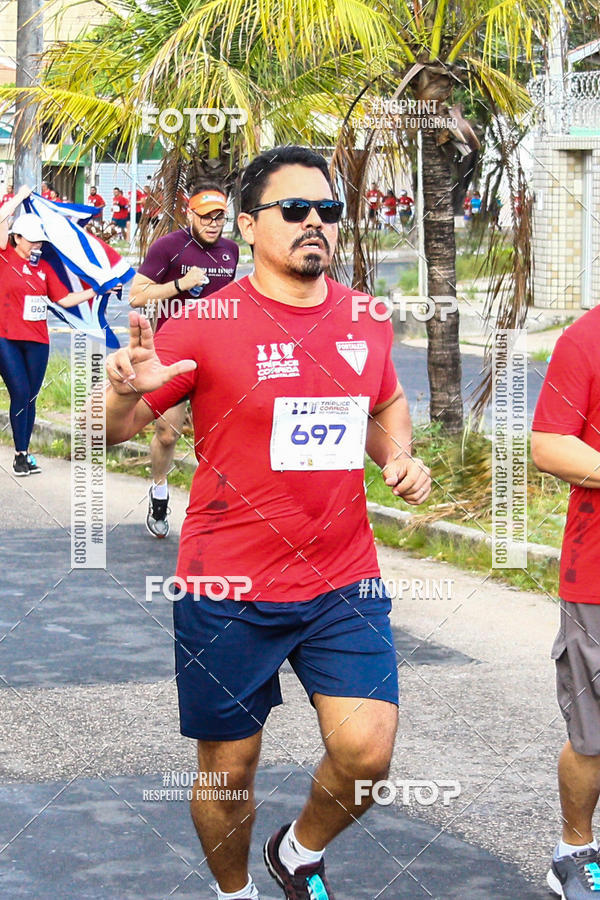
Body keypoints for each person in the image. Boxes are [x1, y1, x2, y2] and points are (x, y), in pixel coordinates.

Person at [104, 145, 431, 900]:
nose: (315, 223)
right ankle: (235, 892)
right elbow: (115, 430)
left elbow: (380, 403)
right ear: (249, 226)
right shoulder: (205, 323)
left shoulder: (365, 316)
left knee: (367, 755)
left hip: (342, 575)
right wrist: (124, 390)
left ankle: (300, 851)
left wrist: (399, 456)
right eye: (294, 210)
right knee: (230, 769)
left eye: (328, 212)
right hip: (228, 585)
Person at [532, 315, 600, 899]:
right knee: (594, 730)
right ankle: (574, 851)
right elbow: (549, 444)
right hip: (597, 576)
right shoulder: (585, 339)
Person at [128, 179, 239, 538]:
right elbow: (136, 296)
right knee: (166, 432)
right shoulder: (168, 248)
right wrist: (180, 284)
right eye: (205, 216)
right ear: (189, 214)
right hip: (172, 353)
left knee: (223, 436)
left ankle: (216, 509)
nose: (212, 224)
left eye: (219, 217)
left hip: (217, 355)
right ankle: (159, 491)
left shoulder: (231, 251)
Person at [0, 188, 95, 476]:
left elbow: (64, 299)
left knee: (31, 397)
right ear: (16, 238)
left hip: (38, 340)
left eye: (39, 240)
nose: (36, 245)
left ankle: (25, 453)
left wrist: (97, 290)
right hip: (6, 339)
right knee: (20, 392)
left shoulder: (43, 268)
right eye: (31, 240)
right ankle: (19, 454)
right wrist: (16, 199)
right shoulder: (4, 257)